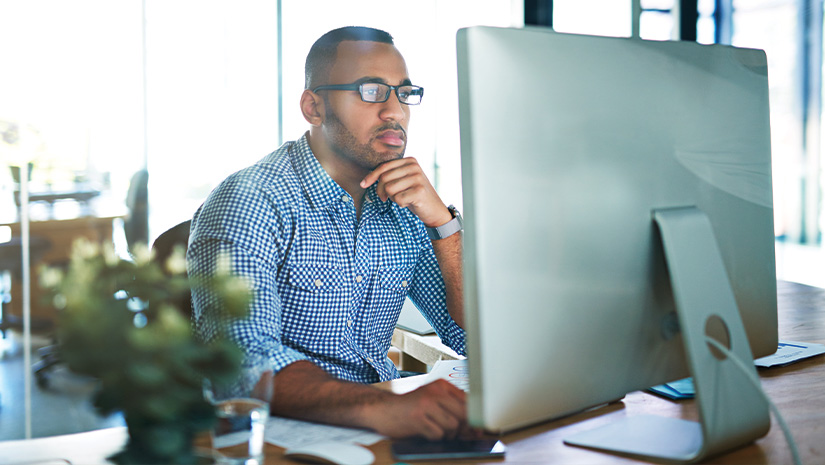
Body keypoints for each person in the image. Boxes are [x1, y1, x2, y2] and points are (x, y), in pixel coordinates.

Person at [188, 26, 469, 440]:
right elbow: (243, 365)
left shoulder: (407, 204)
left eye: (404, 93)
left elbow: (472, 337)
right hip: (275, 436)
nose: (395, 111)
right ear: (314, 107)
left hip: (379, 426)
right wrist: (383, 406)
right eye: (372, 91)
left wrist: (445, 225)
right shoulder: (251, 201)